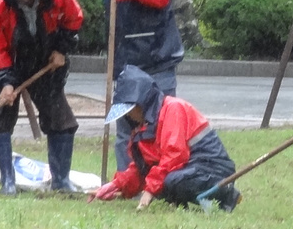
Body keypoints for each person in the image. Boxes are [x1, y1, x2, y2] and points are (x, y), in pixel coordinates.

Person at [75, 0, 184, 170]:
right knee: (125, 129)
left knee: (157, 126)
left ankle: (161, 185)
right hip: (127, 60)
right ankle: (127, 184)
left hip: (154, 58)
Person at [0, 0, 84, 195]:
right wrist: (6, 82)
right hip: (10, 58)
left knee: (60, 118)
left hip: (46, 56)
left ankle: (61, 180)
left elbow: (74, 19)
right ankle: (8, 181)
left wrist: (61, 49)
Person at [88, 65, 240, 210]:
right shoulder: (146, 125)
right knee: (163, 180)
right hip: (191, 168)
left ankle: (226, 193)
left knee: (170, 181)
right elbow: (142, 168)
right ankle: (181, 203)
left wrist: (150, 191)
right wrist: (115, 186)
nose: (128, 115)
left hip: (212, 168)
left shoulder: (173, 109)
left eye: (130, 109)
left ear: (141, 104)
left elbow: (175, 155)